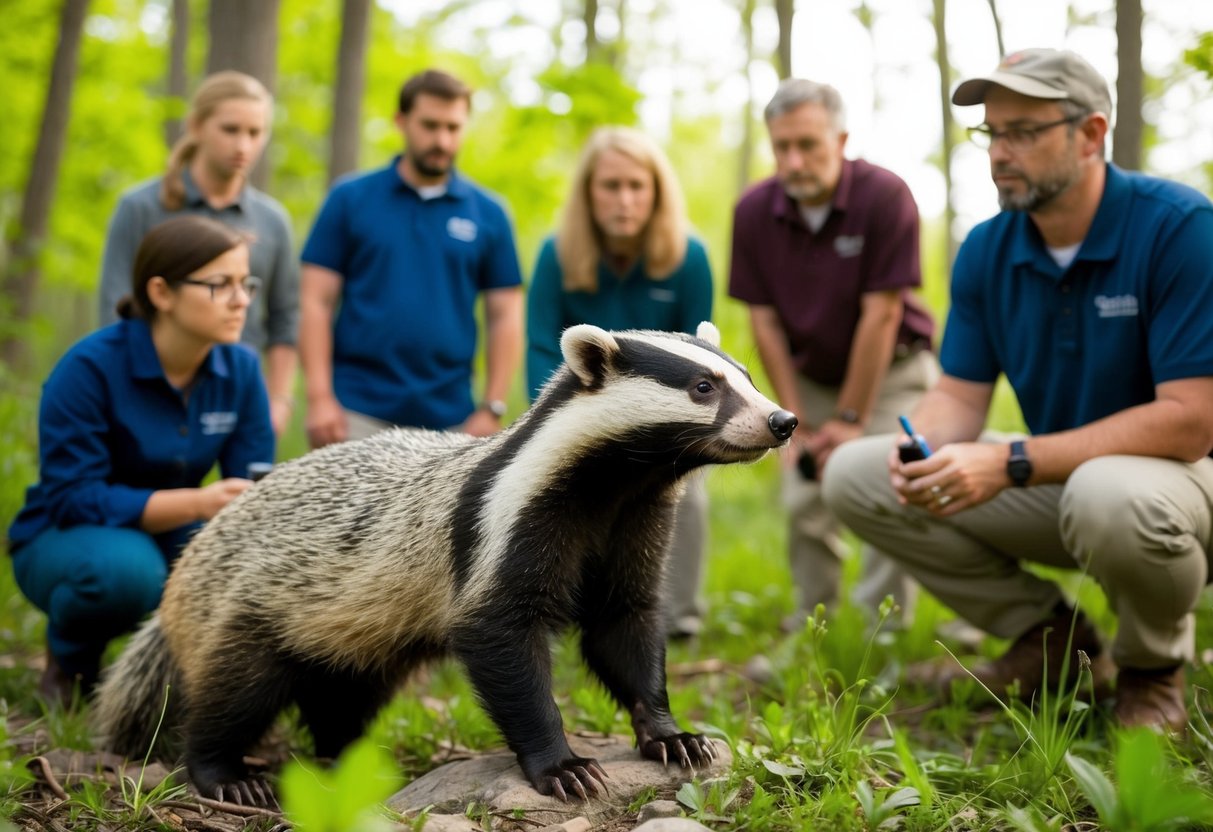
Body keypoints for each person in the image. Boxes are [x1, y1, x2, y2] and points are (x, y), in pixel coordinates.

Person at [823, 48, 1213, 734]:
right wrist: (923, 446)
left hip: (1182, 489)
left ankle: (1152, 671)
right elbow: (959, 397)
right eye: (991, 132)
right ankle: (1052, 642)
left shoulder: (1179, 228)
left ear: (1090, 134)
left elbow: (1190, 423)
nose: (1000, 152)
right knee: (856, 473)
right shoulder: (986, 249)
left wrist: (1009, 462)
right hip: (1069, 483)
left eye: (1023, 132)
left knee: (1108, 493)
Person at [9, 215, 275, 705]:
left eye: (247, 284)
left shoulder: (240, 369)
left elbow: (253, 481)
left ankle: (181, 690)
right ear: (161, 293)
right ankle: (70, 664)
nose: (242, 301)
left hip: (174, 531)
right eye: (221, 285)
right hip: (66, 535)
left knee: (248, 569)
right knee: (127, 574)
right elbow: (74, 498)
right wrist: (198, 503)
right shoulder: (88, 369)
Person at [728, 79, 938, 627]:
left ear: (840, 139)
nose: (794, 161)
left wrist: (851, 418)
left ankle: (883, 633)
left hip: (891, 369)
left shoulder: (885, 196)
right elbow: (764, 323)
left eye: (809, 145)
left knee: (891, 489)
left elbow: (883, 313)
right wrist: (788, 420)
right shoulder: (753, 212)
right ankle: (814, 625)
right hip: (809, 376)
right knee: (805, 498)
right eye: (782, 147)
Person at [526, 126, 714, 639]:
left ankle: (678, 618)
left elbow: (703, 356)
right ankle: (563, 608)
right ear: (589, 192)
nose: (624, 199)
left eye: (637, 185)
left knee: (687, 494)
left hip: (668, 416)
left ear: (656, 191)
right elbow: (542, 345)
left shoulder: (688, 257)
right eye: (610, 185)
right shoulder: (557, 255)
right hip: (582, 412)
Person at [300, 69, 523, 446]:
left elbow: (506, 315)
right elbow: (314, 301)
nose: (442, 140)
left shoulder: (489, 213)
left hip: (452, 422)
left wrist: (492, 407)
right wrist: (320, 398)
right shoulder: (350, 199)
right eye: (430, 125)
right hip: (354, 414)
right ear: (401, 121)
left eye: (453, 127)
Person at [98, 71, 299, 436]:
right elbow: (115, 309)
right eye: (230, 129)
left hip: (241, 395)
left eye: (255, 133)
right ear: (196, 125)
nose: (244, 145)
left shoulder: (272, 221)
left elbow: (285, 319)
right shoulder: (141, 207)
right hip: (149, 392)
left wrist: (279, 401)